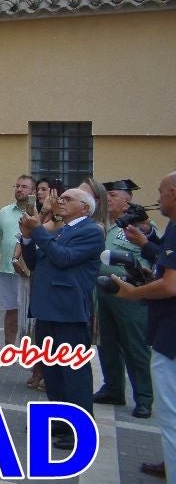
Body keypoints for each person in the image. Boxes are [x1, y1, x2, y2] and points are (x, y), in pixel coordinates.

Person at [19, 187, 104, 448]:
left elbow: (64, 258)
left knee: (73, 372)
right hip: (47, 309)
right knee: (52, 370)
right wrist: (26, 239)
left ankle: (79, 429)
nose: (61, 202)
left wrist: (39, 232)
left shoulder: (90, 231)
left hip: (68, 310)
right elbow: (35, 262)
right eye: (62, 198)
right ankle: (58, 420)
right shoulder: (62, 229)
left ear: (85, 208)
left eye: (68, 199)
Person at [112, 172, 176, 484]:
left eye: (161, 193)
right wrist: (146, 245)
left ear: (174, 194)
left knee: (172, 418)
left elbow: (170, 285)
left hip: (171, 337)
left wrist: (134, 292)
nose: (158, 199)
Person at [93, 178, 154, 418]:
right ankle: (113, 388)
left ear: (128, 201)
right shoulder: (104, 225)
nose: (108, 200)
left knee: (135, 347)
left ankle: (144, 397)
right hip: (104, 291)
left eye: (114, 197)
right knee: (106, 343)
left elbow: (151, 255)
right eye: (107, 197)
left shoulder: (139, 226)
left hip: (130, 293)